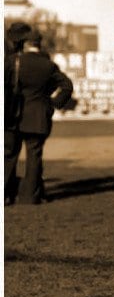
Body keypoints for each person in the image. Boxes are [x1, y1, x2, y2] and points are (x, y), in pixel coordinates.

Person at [4, 25, 74, 205]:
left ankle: (4, 194)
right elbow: (67, 86)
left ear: (26, 43)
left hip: (13, 116)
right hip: (38, 117)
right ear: (39, 44)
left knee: (9, 155)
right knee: (34, 156)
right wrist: (53, 103)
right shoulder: (49, 65)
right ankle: (30, 197)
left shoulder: (13, 61)